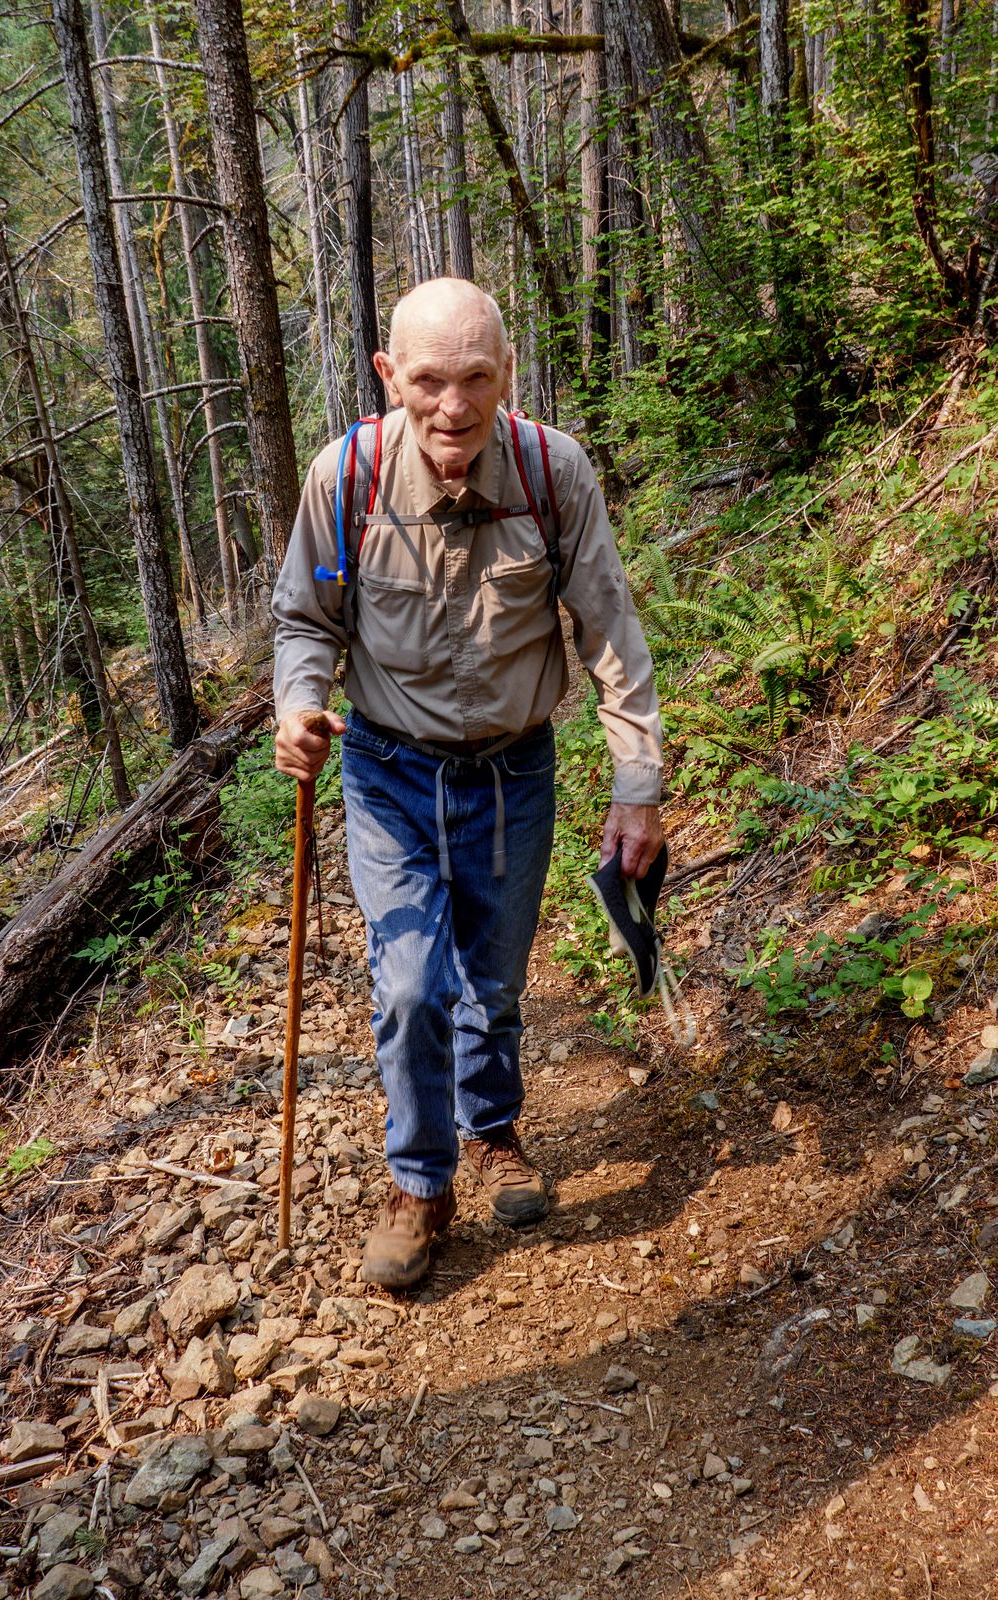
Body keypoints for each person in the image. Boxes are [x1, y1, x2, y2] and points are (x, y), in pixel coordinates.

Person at [273, 278, 663, 1288]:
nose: (453, 406)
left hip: (512, 772)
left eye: (475, 377)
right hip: (386, 769)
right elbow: (307, 620)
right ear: (388, 374)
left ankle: (494, 1132)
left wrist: (637, 782)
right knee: (409, 984)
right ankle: (420, 1180)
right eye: (429, 380)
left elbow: (609, 631)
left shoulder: (551, 472)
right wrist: (296, 705)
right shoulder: (345, 478)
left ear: (505, 372)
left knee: (490, 981)